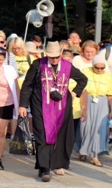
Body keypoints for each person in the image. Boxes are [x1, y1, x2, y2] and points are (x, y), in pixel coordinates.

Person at [19, 41, 88, 182]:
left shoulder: (67, 66)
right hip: (40, 105)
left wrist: (74, 94)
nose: (54, 60)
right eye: (51, 57)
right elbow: (27, 86)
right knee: (42, 135)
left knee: (59, 136)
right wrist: (22, 106)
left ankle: (54, 164)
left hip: (61, 107)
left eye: (57, 57)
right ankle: (44, 168)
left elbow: (83, 79)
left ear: (61, 54)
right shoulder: (38, 65)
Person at [78, 54, 112, 167]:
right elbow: (82, 89)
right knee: (86, 126)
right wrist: (83, 106)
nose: (99, 70)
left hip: (102, 102)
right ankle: (83, 150)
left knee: (99, 128)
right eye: (97, 67)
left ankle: (94, 155)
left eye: (102, 68)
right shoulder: (86, 71)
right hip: (87, 98)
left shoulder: (108, 76)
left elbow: (110, 95)